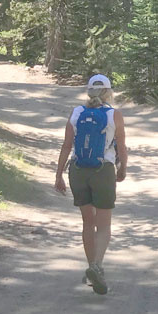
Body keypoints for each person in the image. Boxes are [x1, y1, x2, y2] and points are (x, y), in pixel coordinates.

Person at [54, 74, 127, 295]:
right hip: (102, 170)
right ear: (108, 92)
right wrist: (122, 168)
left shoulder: (76, 113)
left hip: (78, 170)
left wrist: (58, 175)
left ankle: (92, 267)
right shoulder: (114, 115)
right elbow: (121, 146)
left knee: (88, 222)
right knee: (103, 225)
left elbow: (67, 146)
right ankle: (96, 266)